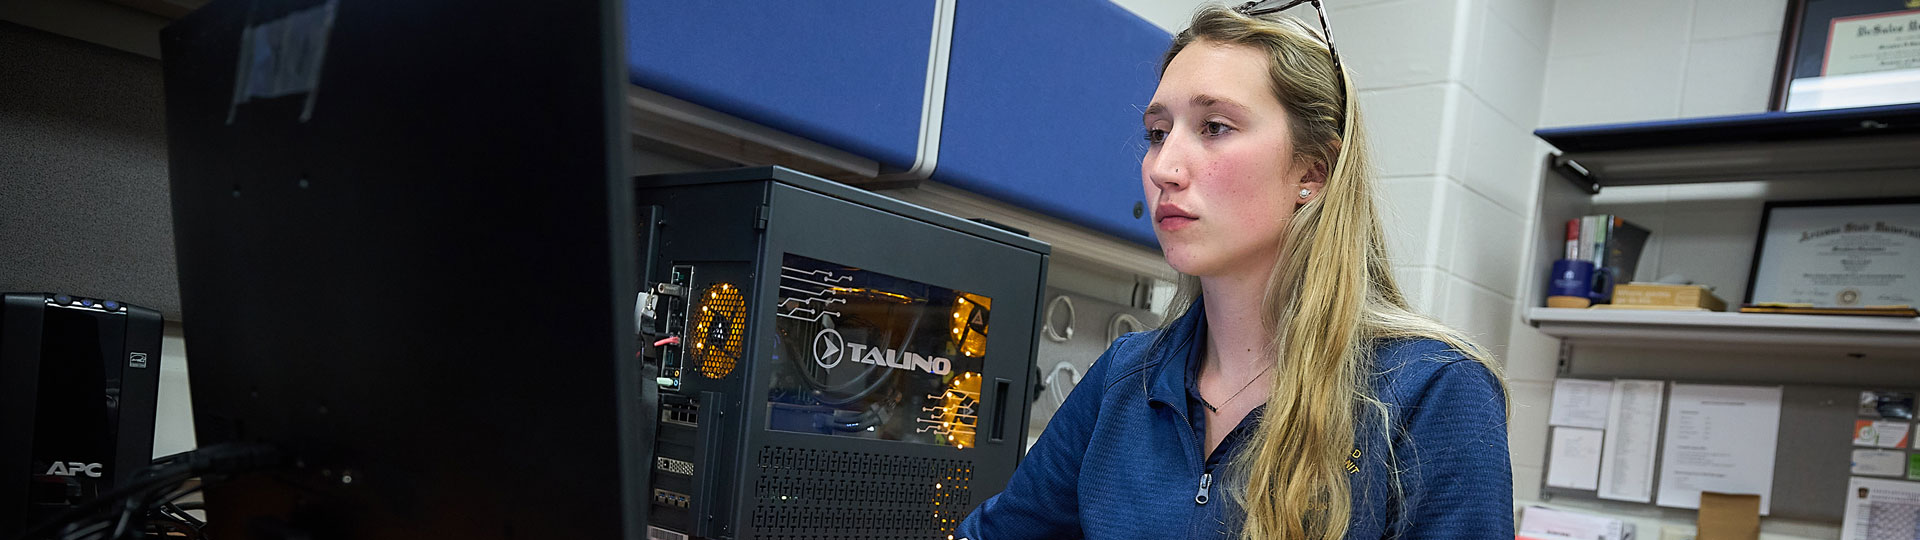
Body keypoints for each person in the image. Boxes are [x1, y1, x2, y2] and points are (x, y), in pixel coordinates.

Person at [955, 2, 1512, 539]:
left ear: (1312, 171)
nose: (1165, 167)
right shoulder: (1126, 380)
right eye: (1157, 132)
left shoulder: (1431, 391)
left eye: (1214, 126)